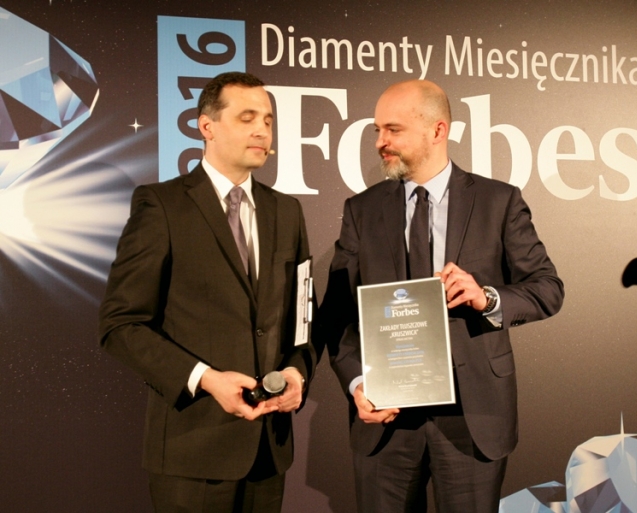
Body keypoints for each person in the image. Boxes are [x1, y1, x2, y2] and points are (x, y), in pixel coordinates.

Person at [318, 79, 564, 513]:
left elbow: (547, 288)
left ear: (438, 130)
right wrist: (357, 383)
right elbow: (337, 314)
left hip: (473, 416)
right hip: (386, 418)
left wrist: (487, 298)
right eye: (377, 130)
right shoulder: (362, 210)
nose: (380, 142)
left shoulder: (498, 201)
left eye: (393, 130)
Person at [99, 72, 314, 512]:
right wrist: (206, 379)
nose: (262, 131)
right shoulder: (161, 205)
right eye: (247, 118)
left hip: (268, 452)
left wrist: (296, 373)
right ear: (206, 126)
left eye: (268, 120)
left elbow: (302, 317)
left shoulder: (287, 211)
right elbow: (121, 325)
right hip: (192, 450)